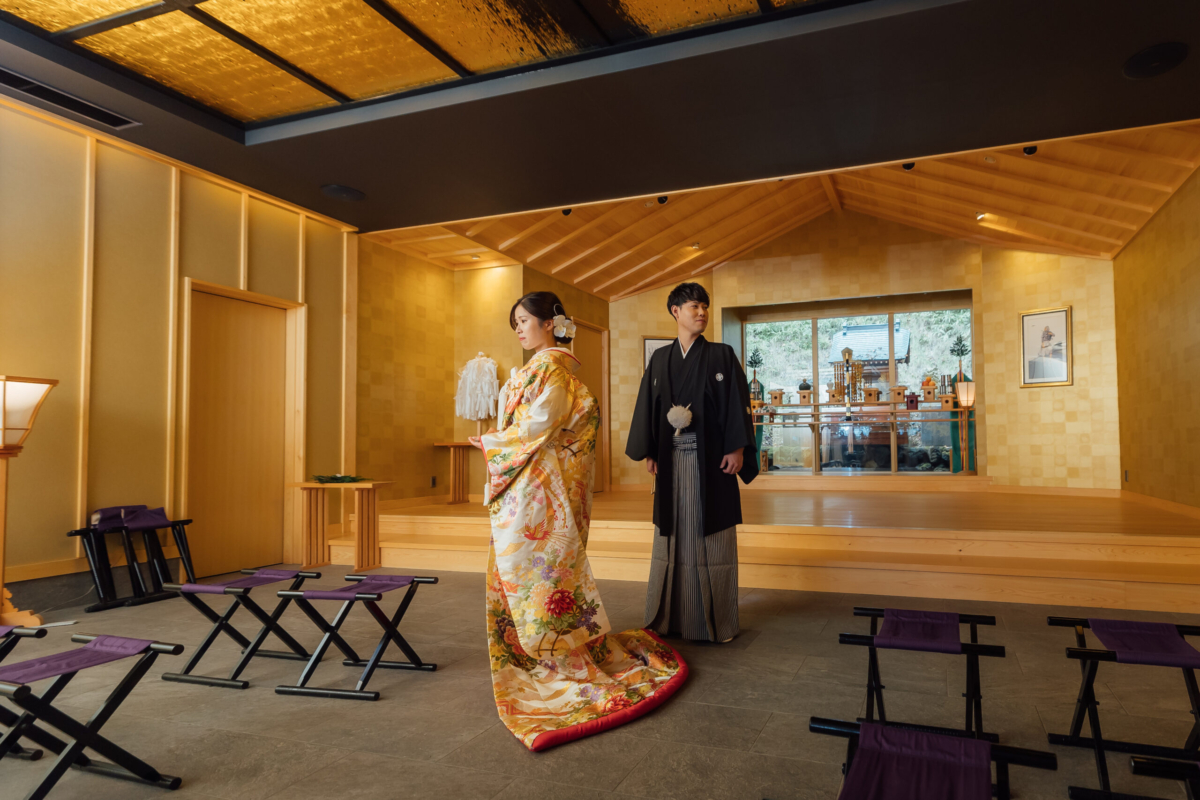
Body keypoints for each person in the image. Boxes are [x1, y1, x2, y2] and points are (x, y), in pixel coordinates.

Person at [469, 291, 686, 751]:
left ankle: (553, 656)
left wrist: (492, 443)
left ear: (550, 323)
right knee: (530, 572)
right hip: (535, 486)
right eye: (515, 323)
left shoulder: (553, 369)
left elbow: (539, 424)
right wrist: (500, 441)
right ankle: (532, 648)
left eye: (525, 320)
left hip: (542, 492)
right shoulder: (545, 369)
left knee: (546, 571)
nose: (519, 329)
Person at [625, 282, 759, 643]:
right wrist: (651, 449)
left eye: (705, 307)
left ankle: (716, 623)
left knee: (710, 536)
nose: (701, 313)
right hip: (672, 461)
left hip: (711, 461)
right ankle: (670, 620)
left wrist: (738, 448)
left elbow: (736, 404)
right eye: (694, 306)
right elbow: (648, 409)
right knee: (672, 537)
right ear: (676, 312)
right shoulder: (660, 360)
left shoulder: (721, 355)